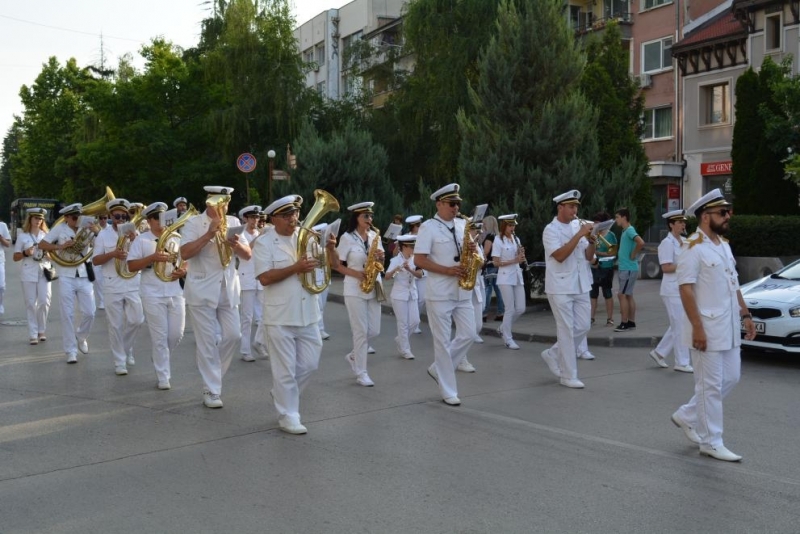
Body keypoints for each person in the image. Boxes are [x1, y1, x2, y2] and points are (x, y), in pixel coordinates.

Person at [671, 189, 756, 462]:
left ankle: (687, 414)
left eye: (728, 211)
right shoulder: (691, 247)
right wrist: (696, 327)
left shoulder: (723, 244)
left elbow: (733, 283)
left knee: (731, 377)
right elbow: (685, 289)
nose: (728, 216)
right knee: (709, 386)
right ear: (706, 217)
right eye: (723, 212)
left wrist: (745, 315)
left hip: (728, 325)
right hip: (705, 327)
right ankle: (711, 440)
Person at [253, 194, 337, 434]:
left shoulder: (308, 237)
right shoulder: (264, 242)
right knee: (285, 370)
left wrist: (330, 250)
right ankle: (288, 415)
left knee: (310, 365)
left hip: (308, 312)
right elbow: (265, 278)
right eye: (287, 215)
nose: (293, 219)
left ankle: (282, 393)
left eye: (295, 214)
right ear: (274, 219)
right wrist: (295, 268)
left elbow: (329, 267)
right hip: (280, 316)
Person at [180, 186, 252, 408]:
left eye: (227, 202)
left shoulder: (233, 222)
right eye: (221, 203)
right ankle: (212, 389)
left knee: (233, 335)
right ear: (210, 203)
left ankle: (213, 377)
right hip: (201, 289)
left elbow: (248, 255)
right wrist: (209, 234)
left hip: (228, 289)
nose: (225, 207)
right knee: (208, 341)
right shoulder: (193, 223)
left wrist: (237, 244)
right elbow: (184, 253)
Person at [414, 183, 479, 406]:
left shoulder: (462, 225)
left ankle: (437, 368)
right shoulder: (428, 227)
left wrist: (472, 250)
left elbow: (472, 253)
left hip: (462, 290)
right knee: (442, 341)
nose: (456, 208)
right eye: (452, 204)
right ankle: (448, 389)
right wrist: (447, 270)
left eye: (458, 204)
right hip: (440, 291)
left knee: (469, 333)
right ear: (439, 204)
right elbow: (419, 260)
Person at [127, 202, 187, 390]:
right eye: (158, 219)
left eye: (164, 218)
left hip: (174, 290)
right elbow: (131, 266)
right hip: (152, 292)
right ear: (150, 220)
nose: (162, 223)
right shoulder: (141, 240)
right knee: (159, 337)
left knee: (176, 334)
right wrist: (151, 258)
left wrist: (183, 271)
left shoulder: (176, 237)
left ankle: (159, 354)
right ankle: (163, 376)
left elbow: (186, 261)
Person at [540, 190, 595, 389]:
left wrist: (592, 243)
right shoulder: (551, 230)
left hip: (581, 283)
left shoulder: (577, 226)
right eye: (571, 206)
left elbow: (589, 257)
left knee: (583, 326)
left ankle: (553, 354)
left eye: (576, 206)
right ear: (560, 207)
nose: (575, 210)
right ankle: (568, 375)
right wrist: (580, 234)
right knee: (566, 330)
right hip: (560, 285)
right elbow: (560, 255)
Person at [91, 198, 145, 376]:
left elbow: (145, 256)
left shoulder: (135, 233)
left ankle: (126, 348)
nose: (120, 219)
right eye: (116, 216)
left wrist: (135, 239)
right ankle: (119, 361)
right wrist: (113, 253)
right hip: (112, 282)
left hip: (132, 282)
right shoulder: (103, 235)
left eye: (124, 215)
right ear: (110, 216)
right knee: (115, 325)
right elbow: (96, 260)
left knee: (137, 320)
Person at [38, 203, 96, 363]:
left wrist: (97, 232)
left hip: (84, 274)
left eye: (79, 217)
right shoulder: (60, 229)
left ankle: (82, 336)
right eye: (74, 217)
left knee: (91, 312)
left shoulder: (87, 228)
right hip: (66, 274)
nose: (77, 220)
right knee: (67, 314)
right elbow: (42, 244)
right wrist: (60, 246)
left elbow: (99, 245)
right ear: (66, 218)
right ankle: (70, 351)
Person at [335, 201, 384, 387]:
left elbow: (379, 261)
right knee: (361, 332)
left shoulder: (374, 236)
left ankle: (354, 355)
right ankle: (361, 372)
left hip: (373, 285)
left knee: (375, 330)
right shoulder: (347, 238)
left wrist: (381, 258)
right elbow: (337, 265)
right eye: (366, 216)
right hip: (354, 288)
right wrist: (356, 273)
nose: (370, 219)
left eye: (371, 216)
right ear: (356, 217)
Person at [650, 209, 693, 373]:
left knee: (678, 324)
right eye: (679, 222)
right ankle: (682, 362)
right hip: (671, 289)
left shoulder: (685, 241)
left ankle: (659, 352)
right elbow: (666, 267)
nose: (683, 224)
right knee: (680, 326)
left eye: (684, 222)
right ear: (671, 225)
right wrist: (685, 265)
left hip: (684, 287)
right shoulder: (666, 244)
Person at [12, 208, 52, 343]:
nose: (38, 221)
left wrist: (48, 255)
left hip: (44, 271)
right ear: (30, 219)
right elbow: (15, 257)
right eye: (35, 218)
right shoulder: (23, 236)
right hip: (28, 271)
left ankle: (42, 329)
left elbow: (55, 256)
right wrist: (25, 253)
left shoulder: (47, 235)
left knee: (44, 301)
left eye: (40, 218)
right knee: (30, 303)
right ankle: (33, 333)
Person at [492, 214, 526, 350]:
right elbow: (495, 262)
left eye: (513, 226)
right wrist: (514, 260)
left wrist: (520, 253)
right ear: (504, 226)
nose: (512, 228)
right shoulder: (498, 240)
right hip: (505, 277)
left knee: (521, 308)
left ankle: (502, 328)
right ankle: (508, 338)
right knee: (510, 308)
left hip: (517, 276)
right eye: (510, 225)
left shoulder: (516, 238)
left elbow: (518, 257)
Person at [385, 234, 422, 360]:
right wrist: (397, 269)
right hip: (399, 295)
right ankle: (405, 350)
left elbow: (420, 275)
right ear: (404, 247)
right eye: (411, 246)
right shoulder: (395, 260)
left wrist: (410, 270)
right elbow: (387, 276)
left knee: (415, 321)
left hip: (412, 294)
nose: (414, 249)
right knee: (403, 324)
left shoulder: (416, 259)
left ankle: (401, 339)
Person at [237, 205, 262, 362]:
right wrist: (260, 238)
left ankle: (259, 342)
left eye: (257, 217)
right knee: (247, 316)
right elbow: (248, 253)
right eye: (252, 217)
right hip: (247, 277)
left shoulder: (259, 233)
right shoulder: (240, 234)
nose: (255, 220)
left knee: (266, 314)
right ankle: (245, 350)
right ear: (245, 218)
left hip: (261, 277)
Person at [614, 207, 644, 332]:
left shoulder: (630, 230)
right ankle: (631, 322)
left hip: (628, 268)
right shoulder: (625, 231)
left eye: (617, 217)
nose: (616, 220)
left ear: (624, 217)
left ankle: (624, 323)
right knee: (628, 295)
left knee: (622, 295)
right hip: (626, 268)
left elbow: (640, 242)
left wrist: (633, 254)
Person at [589, 212, 616, 327]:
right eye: (594, 223)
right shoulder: (592, 235)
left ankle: (610, 318)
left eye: (597, 223)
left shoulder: (611, 235)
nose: (595, 225)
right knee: (593, 294)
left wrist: (598, 253)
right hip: (594, 267)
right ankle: (591, 318)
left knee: (607, 292)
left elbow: (613, 251)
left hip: (607, 267)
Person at [480, 215, 505, 322]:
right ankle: (501, 312)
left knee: (488, 288)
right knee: (498, 289)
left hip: (489, 265)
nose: (483, 226)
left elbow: (485, 252)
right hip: (497, 265)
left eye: (484, 224)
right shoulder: (498, 236)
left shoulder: (489, 237)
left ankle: (484, 313)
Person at [406, 214, 426, 333]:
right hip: (410, 268)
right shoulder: (406, 237)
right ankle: (412, 322)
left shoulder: (425, 236)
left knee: (422, 299)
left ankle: (415, 320)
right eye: (418, 225)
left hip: (423, 270)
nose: (420, 226)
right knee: (412, 297)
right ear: (413, 227)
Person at [312, 222, 331, 341]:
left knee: (322, 305)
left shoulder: (327, 246)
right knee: (317, 305)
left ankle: (319, 328)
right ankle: (319, 329)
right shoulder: (312, 245)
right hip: (315, 277)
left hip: (325, 277)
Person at [94, 214, 108, 310]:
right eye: (101, 218)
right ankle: (102, 300)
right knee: (98, 281)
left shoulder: (110, 229)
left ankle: (107, 299)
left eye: (105, 218)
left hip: (108, 258)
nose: (103, 220)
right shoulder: (92, 229)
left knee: (107, 280)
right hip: (97, 257)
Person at [0, 217, 10, 316]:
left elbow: (8, 244)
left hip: (0, 260)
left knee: (1, 286)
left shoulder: (2, 226)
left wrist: (1, 238)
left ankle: (0, 304)